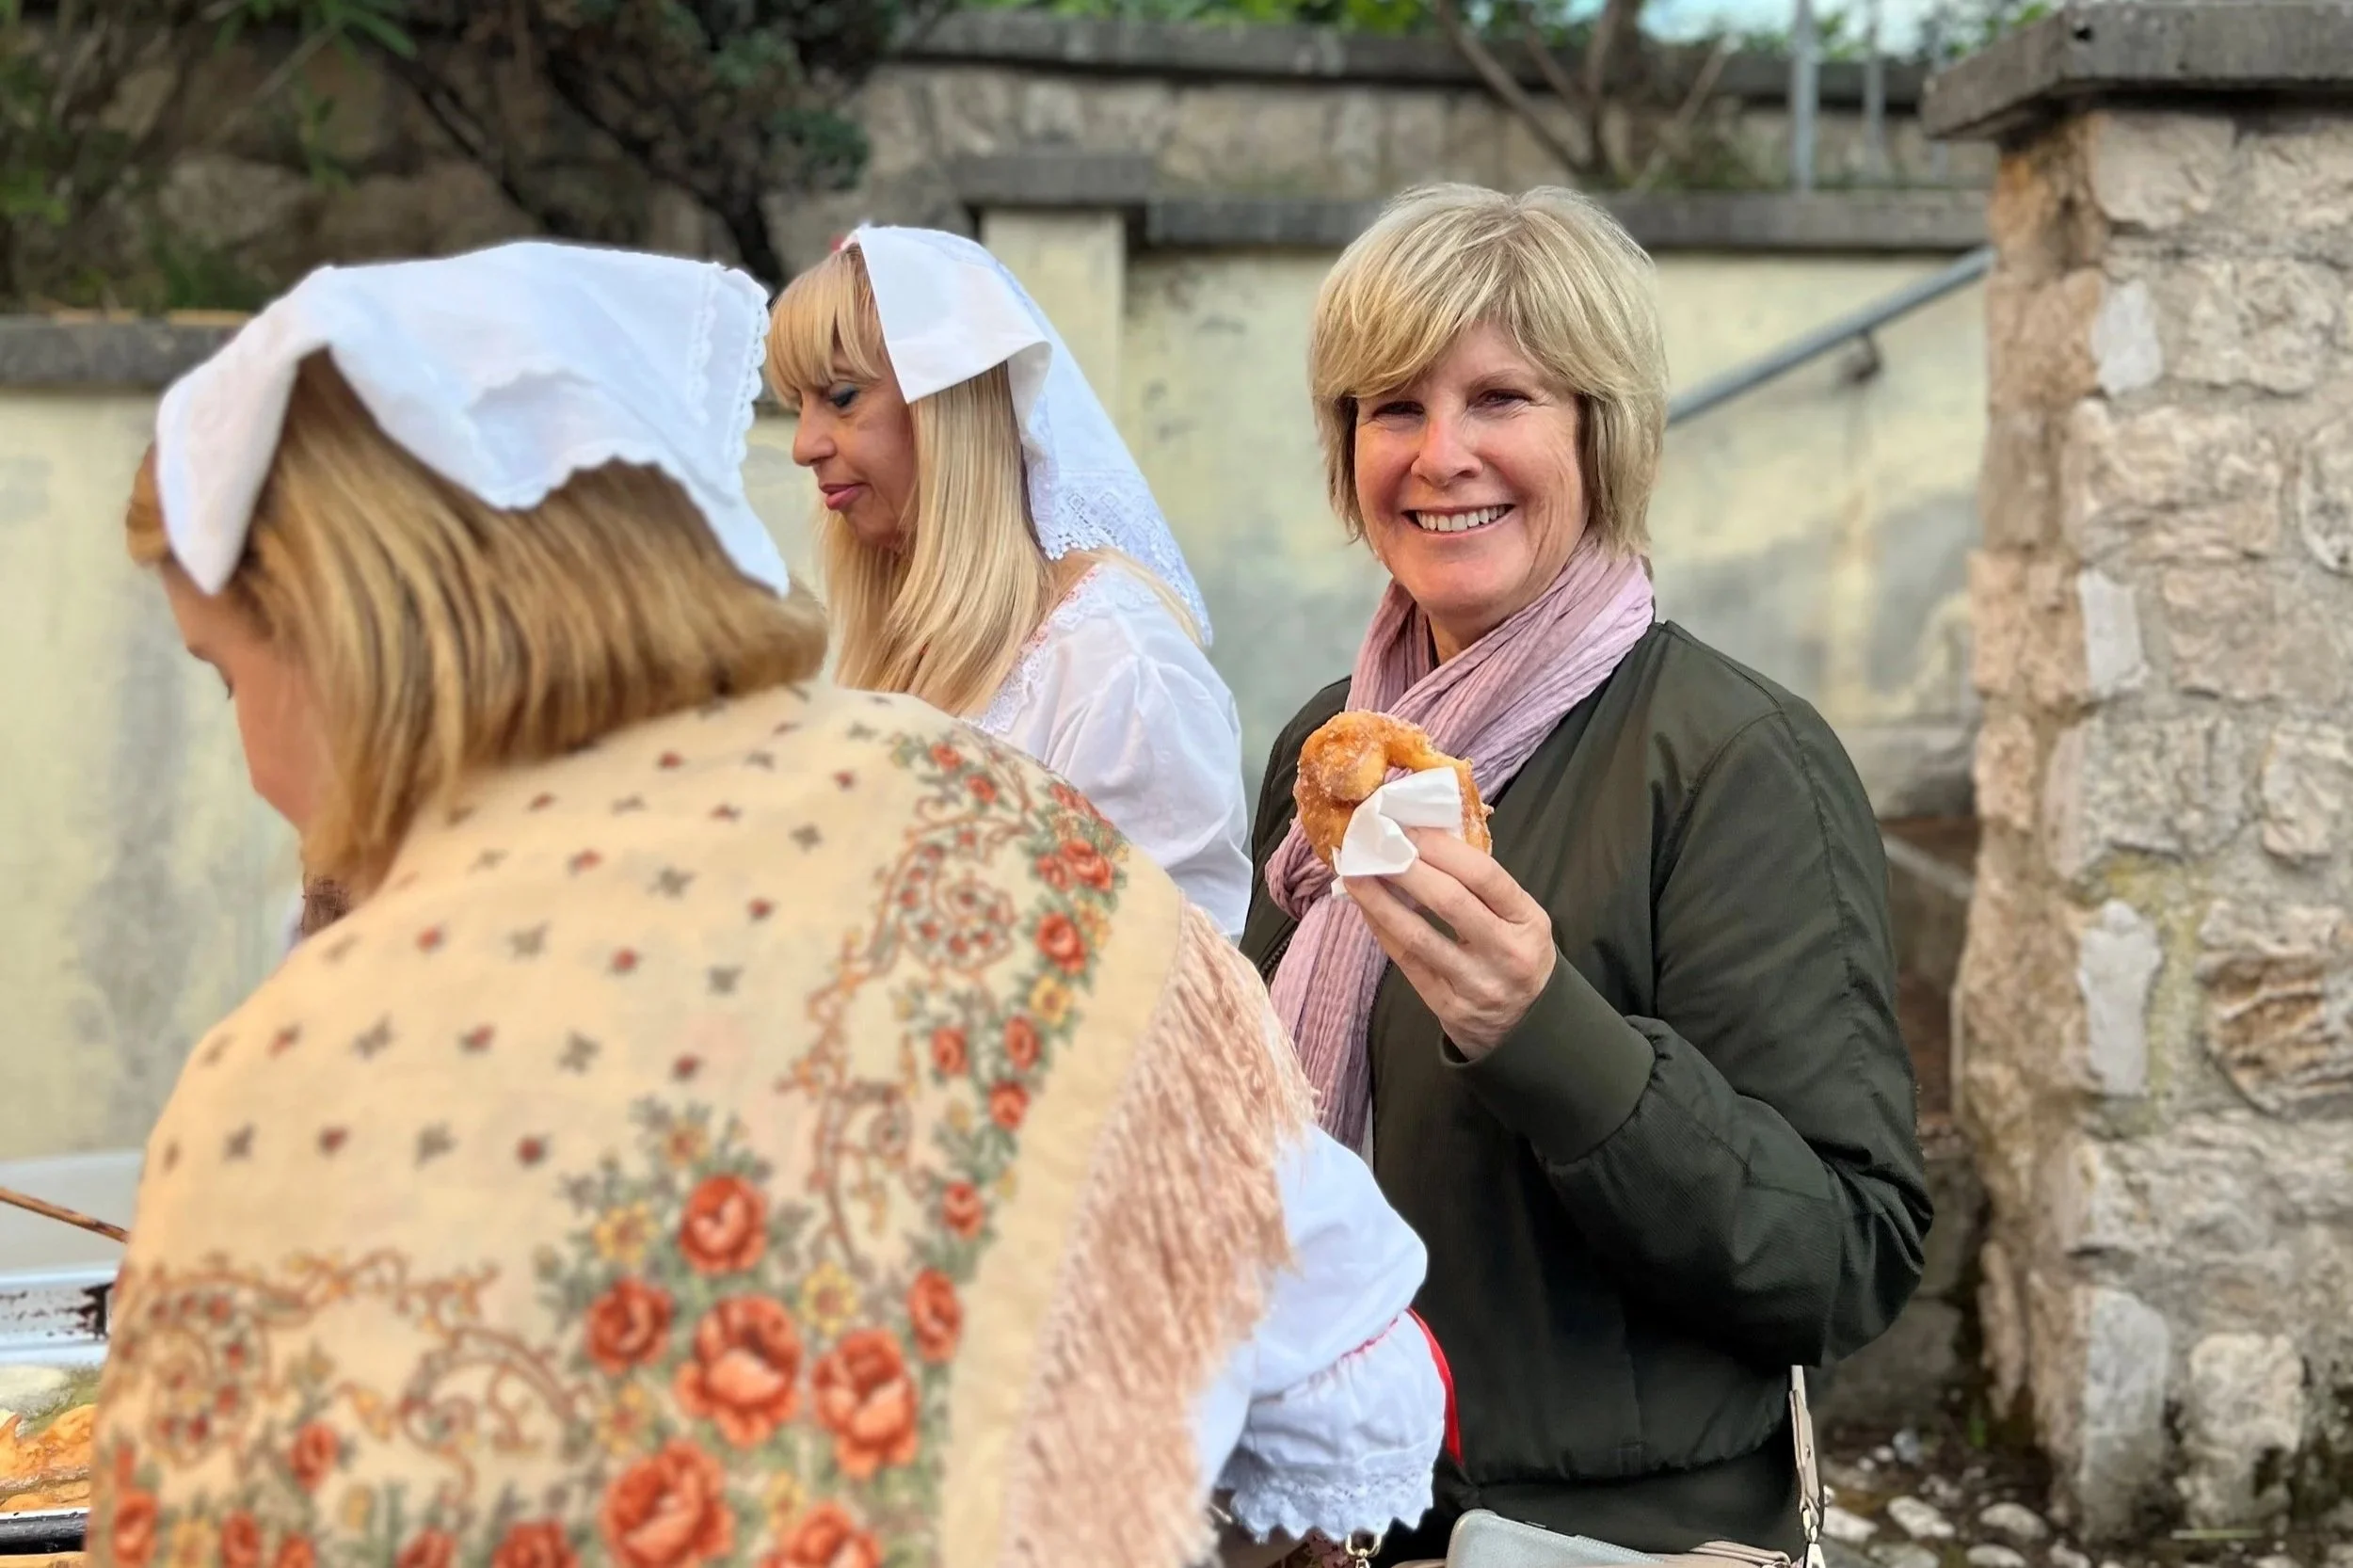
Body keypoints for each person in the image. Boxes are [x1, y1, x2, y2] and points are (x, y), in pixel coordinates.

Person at [89, 240, 1446, 1568]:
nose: (807, 448)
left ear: (365, 646)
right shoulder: (997, 823)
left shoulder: (293, 1077)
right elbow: (1337, 1366)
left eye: (228, 675)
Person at [1239, 184, 1932, 1561]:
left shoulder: (1736, 759)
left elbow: (1846, 1256)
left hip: (1586, 1536)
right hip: (1320, 1517)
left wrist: (1545, 1033)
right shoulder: (1329, 754)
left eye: (1500, 398)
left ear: (1599, 434)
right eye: (1393, 406)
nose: (1441, 455)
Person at [765, 226, 1255, 936]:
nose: (803, 445)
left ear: (950, 410)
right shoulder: (907, 642)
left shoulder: (1117, 672)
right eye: (797, 406)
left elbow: (1180, 971)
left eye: (841, 397)